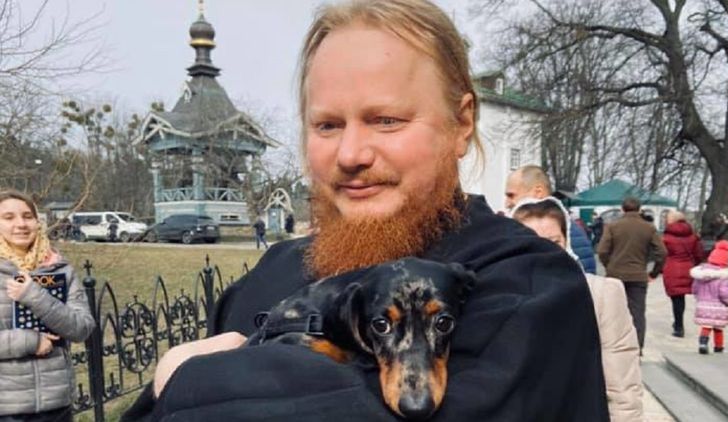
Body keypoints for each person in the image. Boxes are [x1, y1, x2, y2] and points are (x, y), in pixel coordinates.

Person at [123, 1, 609, 420]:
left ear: (461, 124)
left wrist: (183, 380)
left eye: (386, 120)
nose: (351, 154)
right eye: (327, 125)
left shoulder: (528, 285)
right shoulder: (273, 272)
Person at [511, 197, 643, 421]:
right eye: (530, 242)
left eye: (554, 242)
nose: (543, 252)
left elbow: (622, 382)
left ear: (566, 241)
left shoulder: (600, 294)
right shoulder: (496, 293)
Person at [0, 190, 95, 421]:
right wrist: (31, 342)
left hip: (57, 405)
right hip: (7, 408)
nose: (21, 224)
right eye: (8, 217)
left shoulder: (60, 268)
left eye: (27, 216)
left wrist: (33, 296)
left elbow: (82, 328)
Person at [597, 196, 666, 352]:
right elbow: (662, 252)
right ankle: (636, 348)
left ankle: (613, 345)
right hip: (638, 274)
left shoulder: (613, 227)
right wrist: (654, 273)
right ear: (640, 209)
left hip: (615, 274)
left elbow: (602, 251)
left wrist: (609, 266)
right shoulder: (648, 228)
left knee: (613, 311)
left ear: (622, 209)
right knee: (637, 313)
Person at [505, 165, 597, 273]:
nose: (506, 203)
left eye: (511, 195)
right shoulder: (568, 228)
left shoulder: (567, 233)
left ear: (538, 192)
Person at [661, 211, 704, 338]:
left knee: (676, 298)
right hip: (688, 268)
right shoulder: (693, 236)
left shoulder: (666, 238)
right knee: (680, 298)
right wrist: (693, 264)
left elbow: (661, 254)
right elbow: (699, 254)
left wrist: (660, 268)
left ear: (672, 220)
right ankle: (678, 323)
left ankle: (679, 326)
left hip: (672, 268)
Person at [690, 240, 728, 354]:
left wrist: (698, 297)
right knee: (718, 328)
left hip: (703, 304)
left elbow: (694, 289)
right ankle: (718, 347)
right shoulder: (723, 276)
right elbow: (725, 293)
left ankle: (703, 343)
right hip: (719, 307)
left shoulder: (701, 274)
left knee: (706, 326)